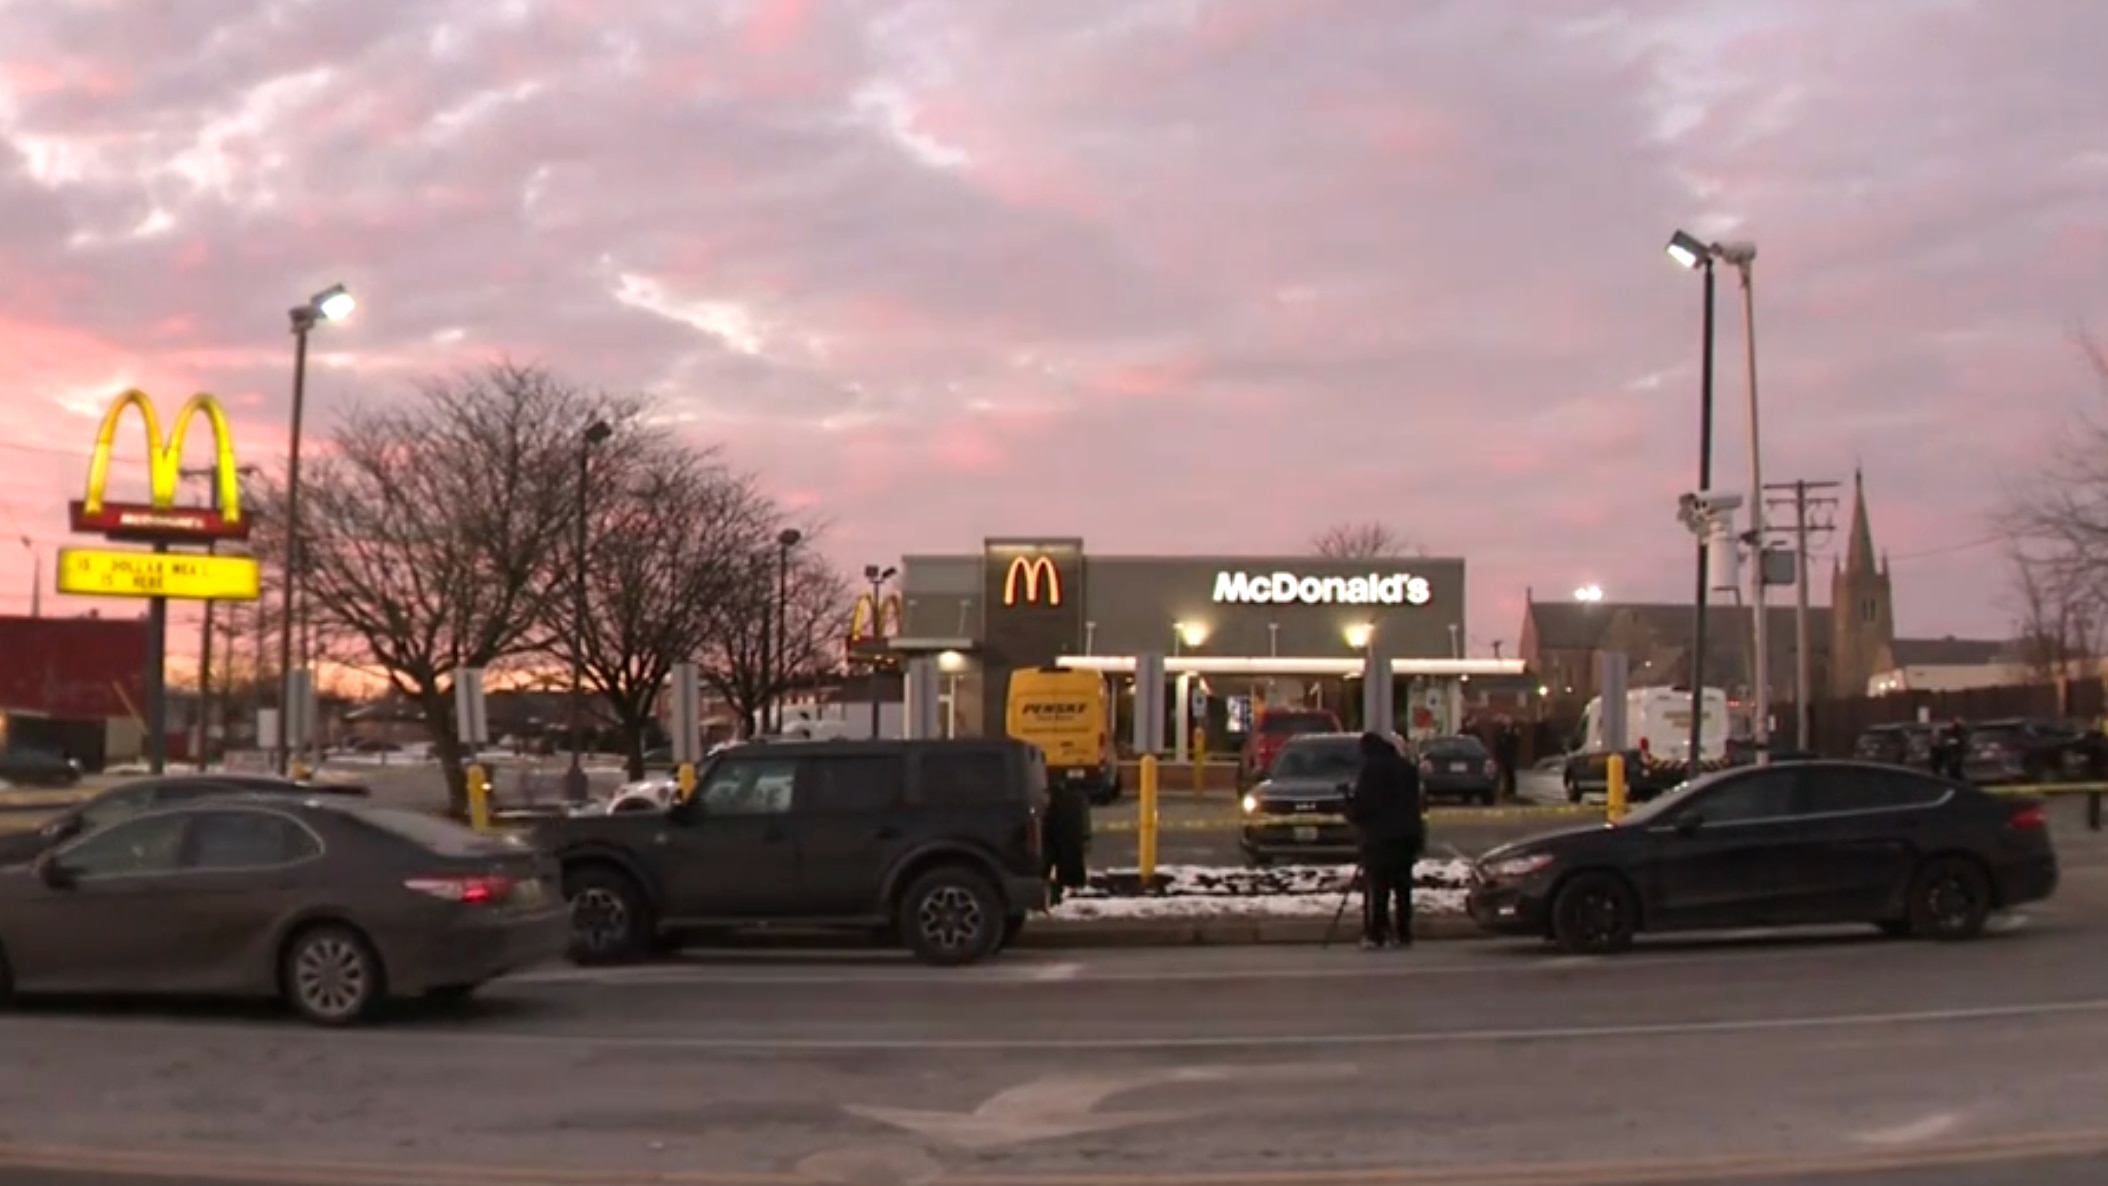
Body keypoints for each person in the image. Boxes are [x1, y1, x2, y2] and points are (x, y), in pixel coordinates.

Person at [1342, 731, 1424, 950]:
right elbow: (1416, 805)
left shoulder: (1371, 770)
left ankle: (1376, 932)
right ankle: (1403, 932)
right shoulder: (1407, 769)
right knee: (1403, 889)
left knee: (1379, 888)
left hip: (1380, 839)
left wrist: (1348, 805)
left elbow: (1364, 807)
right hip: (1407, 837)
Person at [1493, 718, 1521, 803]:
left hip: (1511, 757)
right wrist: (1498, 756)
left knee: (1511, 774)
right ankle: (1505, 791)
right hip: (1504, 757)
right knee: (1505, 774)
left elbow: (1516, 743)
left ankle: (1511, 791)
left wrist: (1514, 735)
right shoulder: (1501, 732)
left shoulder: (1513, 733)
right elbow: (1499, 745)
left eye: (1508, 722)